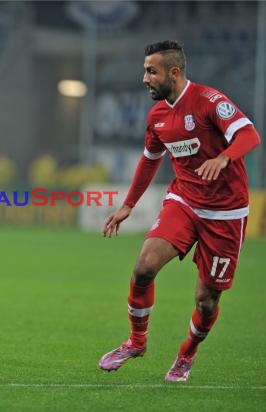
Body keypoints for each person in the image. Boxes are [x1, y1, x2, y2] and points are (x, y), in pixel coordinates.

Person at [98, 40, 261, 382]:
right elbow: (149, 159)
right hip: (184, 202)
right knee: (143, 267)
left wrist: (224, 157)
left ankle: (187, 353)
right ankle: (137, 342)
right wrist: (128, 204)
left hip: (226, 213)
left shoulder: (209, 101)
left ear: (173, 72)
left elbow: (248, 134)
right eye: (145, 70)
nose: (145, 78)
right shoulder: (157, 115)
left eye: (151, 71)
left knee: (206, 300)